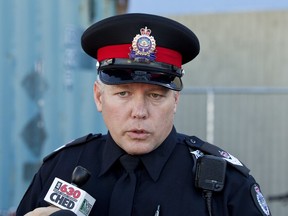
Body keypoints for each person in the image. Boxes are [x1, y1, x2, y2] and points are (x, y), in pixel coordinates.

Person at [16, 13, 271, 216]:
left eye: (155, 95)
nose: (139, 112)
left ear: (175, 100)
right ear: (98, 97)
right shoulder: (59, 170)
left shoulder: (226, 186)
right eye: (123, 94)